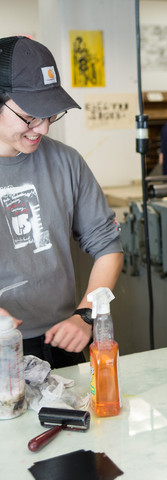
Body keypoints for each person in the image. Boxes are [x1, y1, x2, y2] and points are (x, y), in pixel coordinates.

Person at [0, 36, 123, 369]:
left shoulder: (66, 162)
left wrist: (86, 313)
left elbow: (108, 247)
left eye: (51, 115)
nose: (41, 128)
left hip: (62, 340)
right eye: (29, 117)